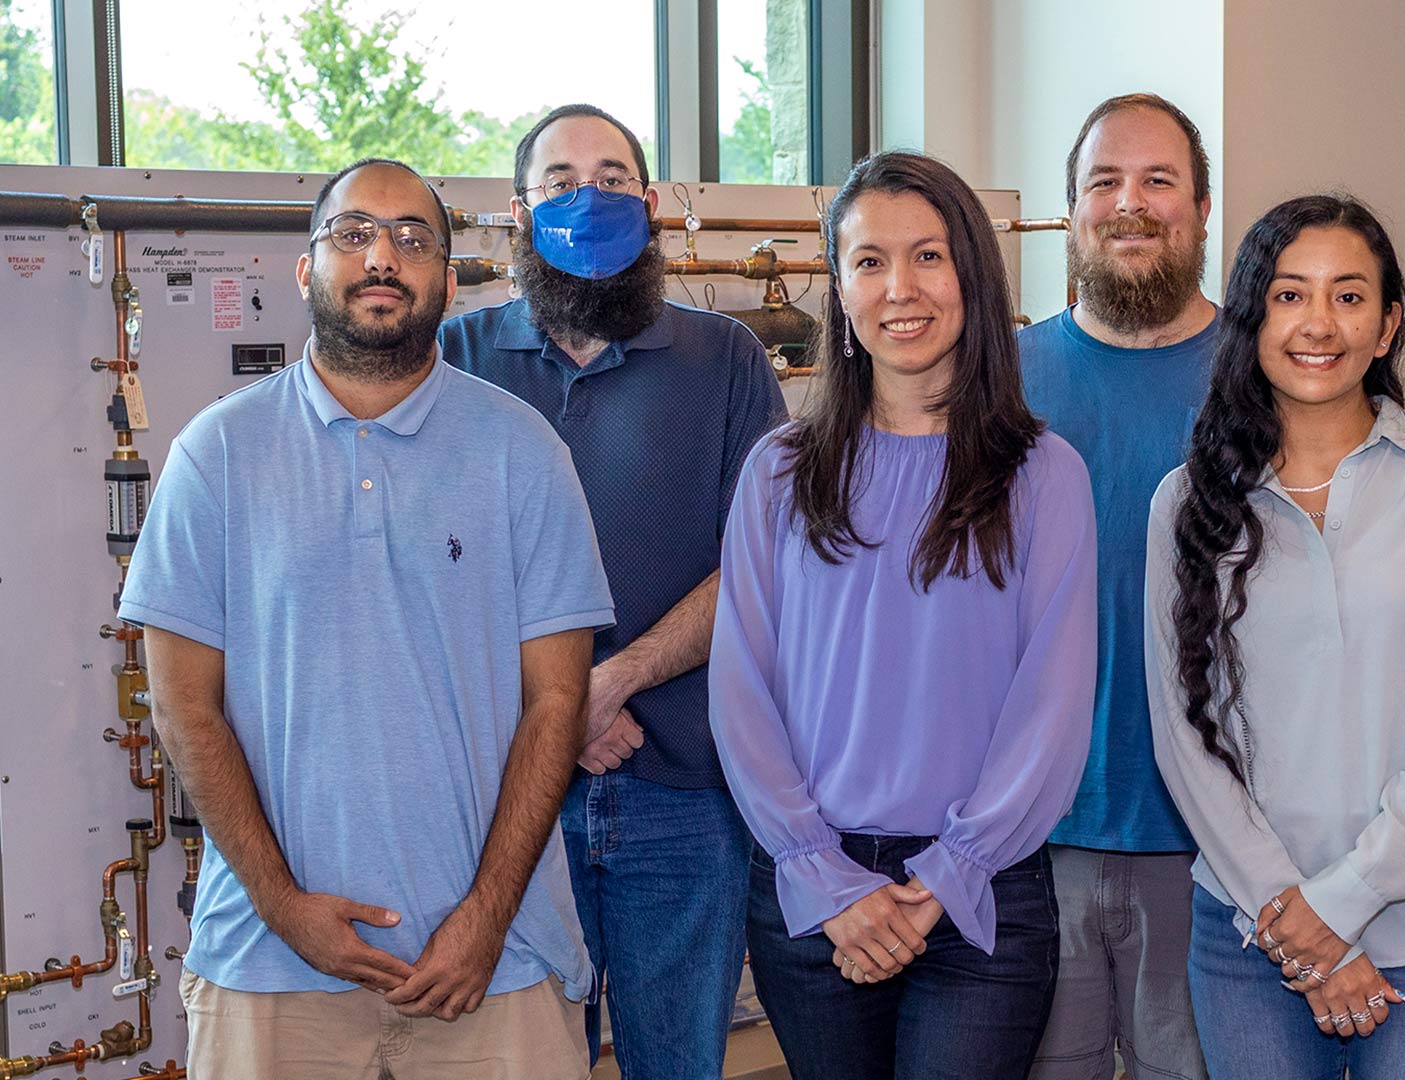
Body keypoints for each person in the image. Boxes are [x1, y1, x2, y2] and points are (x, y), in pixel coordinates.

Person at [123, 157, 612, 1079]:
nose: (383, 257)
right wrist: (281, 905)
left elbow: (558, 701)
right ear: (305, 270)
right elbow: (184, 708)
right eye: (354, 233)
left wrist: (486, 916)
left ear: (448, 276)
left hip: (493, 964)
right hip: (270, 967)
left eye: (413, 239)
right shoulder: (217, 454)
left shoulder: (522, 452)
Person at [708, 150, 1098, 1080]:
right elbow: (741, 690)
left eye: (928, 256)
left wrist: (944, 879)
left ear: (971, 271)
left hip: (981, 896)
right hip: (812, 893)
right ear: (839, 289)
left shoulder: (1044, 475)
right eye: (869, 261)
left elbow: (1050, 709)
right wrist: (823, 874)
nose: (900, 288)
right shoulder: (778, 471)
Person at [439, 103, 787, 1078]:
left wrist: (612, 680)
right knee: (520, 1061)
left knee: (677, 1060)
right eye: (557, 181)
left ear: (651, 204)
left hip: (685, 797)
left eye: (609, 176)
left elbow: (758, 567)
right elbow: (427, 572)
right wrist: (559, 710)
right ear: (517, 213)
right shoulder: (455, 363)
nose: (584, 198)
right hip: (506, 803)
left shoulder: (725, 360)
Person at [1146, 195, 1405, 1080]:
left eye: (1350, 297)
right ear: (1251, 320)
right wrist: (1296, 919)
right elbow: (1184, 736)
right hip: (1252, 929)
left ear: (1388, 325)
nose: (1319, 323)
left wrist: (1341, 904)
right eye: (1288, 296)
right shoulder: (1185, 503)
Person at [1020, 92, 1215, 1080]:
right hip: (1033, 836)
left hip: (1214, 842)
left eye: (1158, 180)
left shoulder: (1265, 378)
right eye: (1104, 181)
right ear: (1071, 207)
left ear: (1203, 207)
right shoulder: (1002, 382)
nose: (1129, 204)